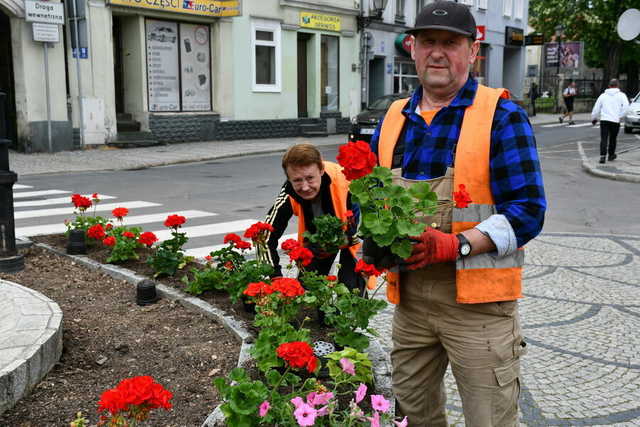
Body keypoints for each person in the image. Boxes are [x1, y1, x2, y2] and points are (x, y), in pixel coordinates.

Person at [364, 2, 546, 425]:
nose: (438, 52)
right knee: (413, 414)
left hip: (479, 307)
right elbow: (371, 199)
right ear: (413, 48)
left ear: (472, 52)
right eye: (429, 42)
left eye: (451, 43)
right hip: (411, 303)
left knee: (490, 418)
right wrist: (368, 240)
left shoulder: (501, 114)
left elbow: (528, 211)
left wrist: (458, 243)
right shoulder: (394, 117)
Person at [260, 143, 364, 293]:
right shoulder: (289, 192)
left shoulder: (347, 182)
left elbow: (361, 233)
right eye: (297, 180)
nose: (305, 187)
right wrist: (275, 277)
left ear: (321, 170)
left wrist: (339, 242)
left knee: (351, 291)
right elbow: (266, 235)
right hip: (316, 241)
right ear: (289, 179)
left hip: (349, 238)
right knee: (308, 293)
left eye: (310, 178)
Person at [591, 79, 630, 164]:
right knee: (613, 138)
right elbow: (626, 108)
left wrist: (594, 118)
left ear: (609, 86)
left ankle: (602, 156)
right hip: (615, 120)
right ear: (618, 85)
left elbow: (596, 108)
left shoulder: (603, 96)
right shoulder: (622, 95)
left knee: (604, 138)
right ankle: (611, 155)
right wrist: (619, 116)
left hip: (604, 120)